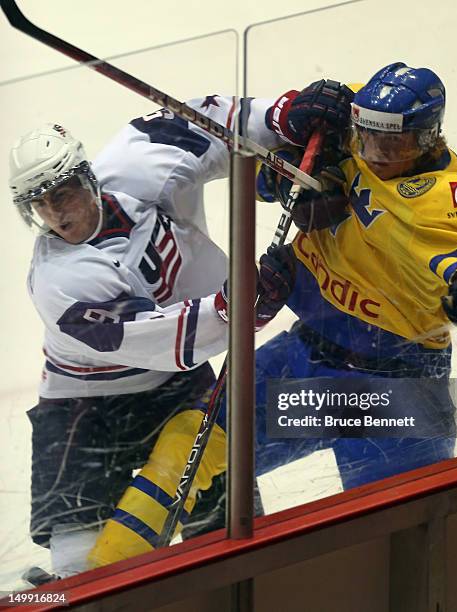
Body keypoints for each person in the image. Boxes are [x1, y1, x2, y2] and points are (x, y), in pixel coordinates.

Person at [9, 89, 350, 577]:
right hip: (84, 402)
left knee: (230, 522)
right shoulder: (61, 280)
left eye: (61, 194)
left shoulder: (137, 162)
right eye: (40, 205)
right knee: (79, 563)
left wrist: (281, 116)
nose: (56, 215)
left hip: (175, 382)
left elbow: (211, 121)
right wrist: (236, 308)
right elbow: (156, 339)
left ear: (87, 177)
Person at [252, 62, 457, 489]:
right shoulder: (357, 114)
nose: (374, 151)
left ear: (427, 139)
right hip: (306, 359)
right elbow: (259, 159)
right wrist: (293, 178)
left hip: (393, 392)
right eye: (366, 137)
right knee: (211, 471)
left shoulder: (443, 198)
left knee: (394, 532)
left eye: (393, 145)